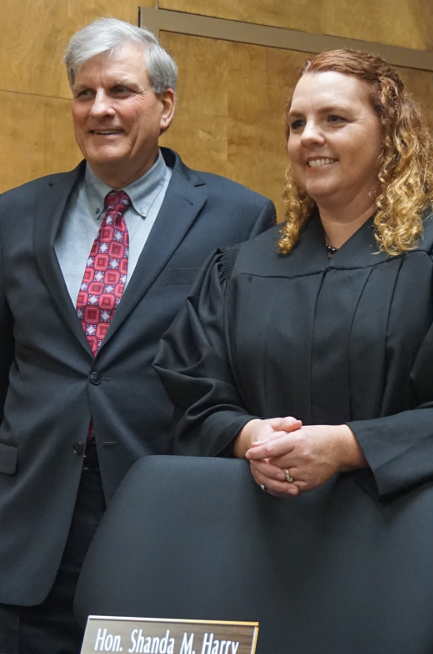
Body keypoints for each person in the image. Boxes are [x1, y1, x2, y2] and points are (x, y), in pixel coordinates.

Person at [155, 49, 433, 647]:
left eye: (334, 119)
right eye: (297, 122)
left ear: (390, 134)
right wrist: (247, 435)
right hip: (258, 547)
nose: (309, 137)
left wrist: (348, 447)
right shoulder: (242, 266)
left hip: (405, 551)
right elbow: (192, 388)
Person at [0, 17, 275, 654]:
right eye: (84, 93)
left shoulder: (238, 217)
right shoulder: (14, 213)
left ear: (165, 106)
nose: (100, 109)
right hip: (28, 521)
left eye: (121, 90)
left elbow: (246, 371)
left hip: (165, 511)